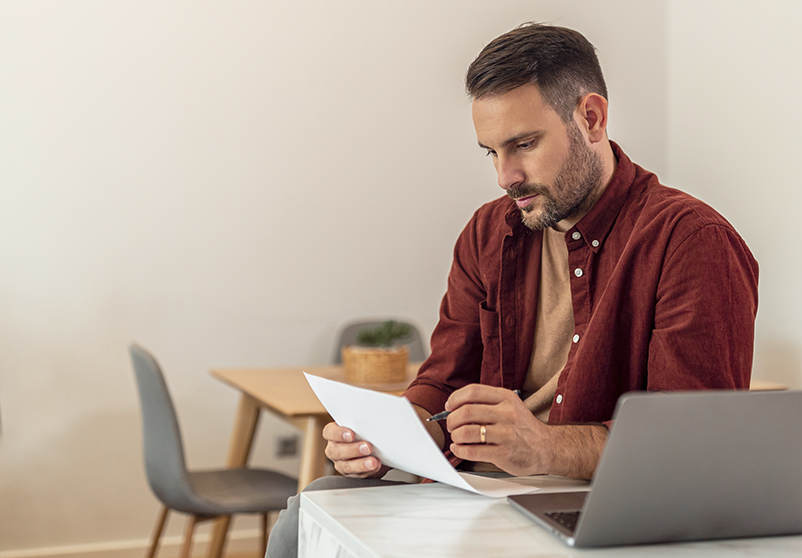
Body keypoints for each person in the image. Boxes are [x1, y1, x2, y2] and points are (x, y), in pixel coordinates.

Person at [265, 22, 758, 557]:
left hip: (599, 510)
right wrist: (389, 440)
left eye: (523, 144)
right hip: (474, 493)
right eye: (491, 152)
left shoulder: (691, 241)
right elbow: (442, 386)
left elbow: (693, 446)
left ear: (591, 118)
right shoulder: (487, 232)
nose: (505, 176)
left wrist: (544, 446)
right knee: (309, 511)